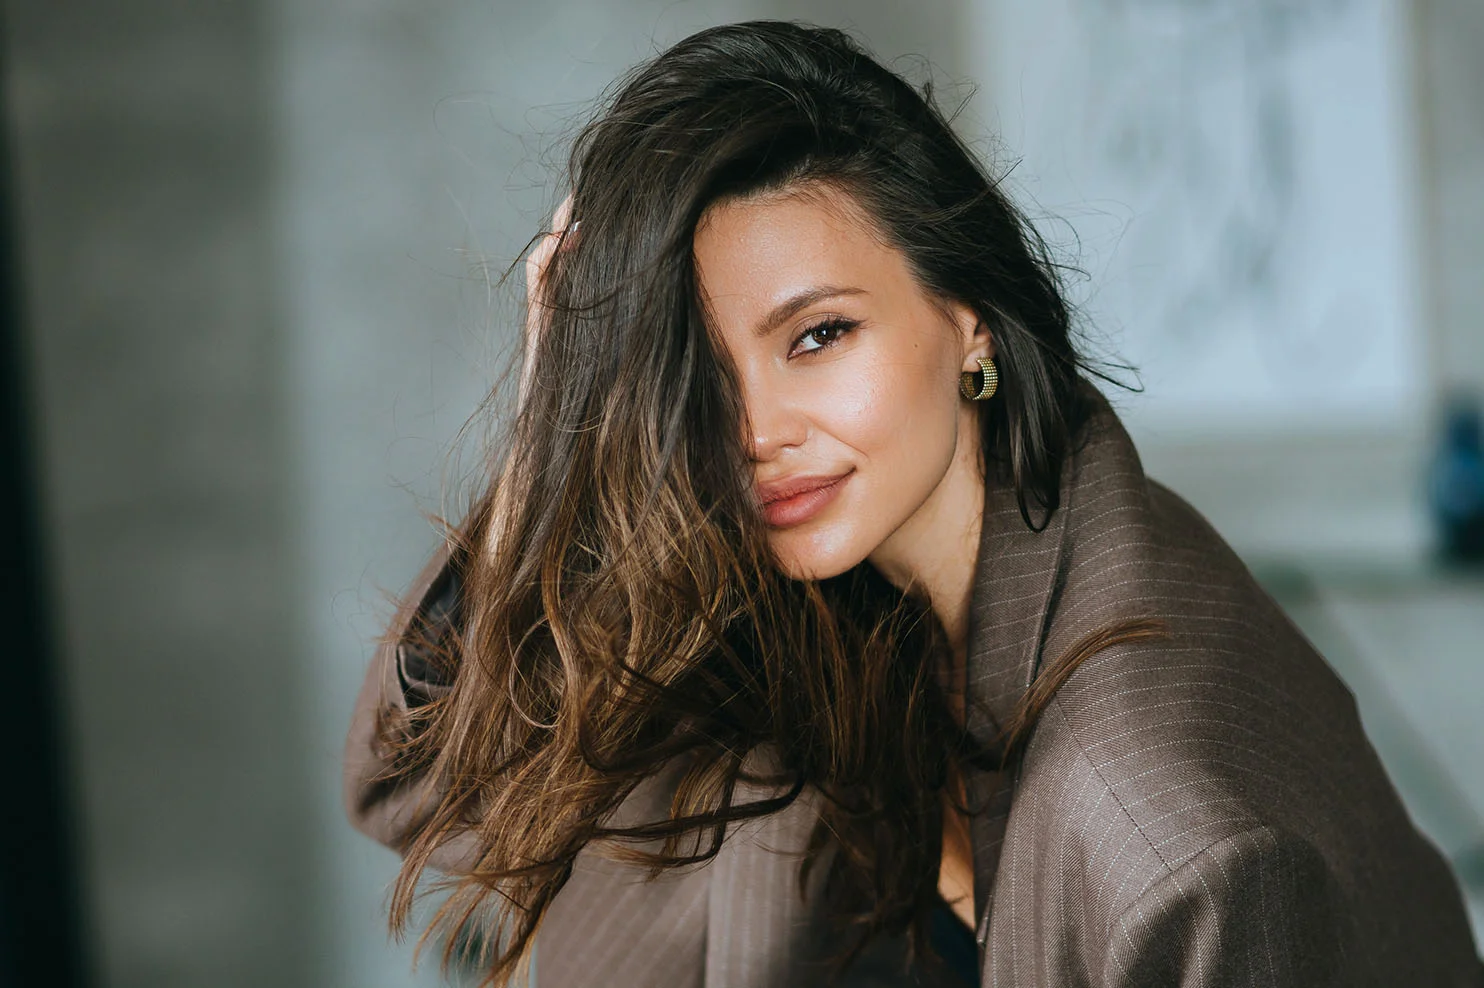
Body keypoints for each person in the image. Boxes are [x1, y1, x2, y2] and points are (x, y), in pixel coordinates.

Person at [342, 19, 1483, 988]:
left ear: (967, 314)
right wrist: (563, 425)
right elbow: (420, 789)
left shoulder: (1171, 840)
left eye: (817, 335)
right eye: (700, 371)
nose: (754, 432)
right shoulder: (804, 595)